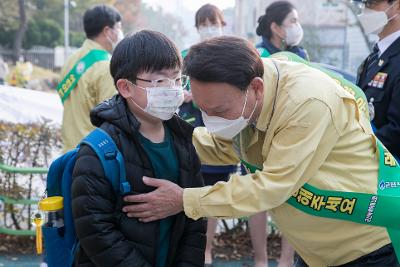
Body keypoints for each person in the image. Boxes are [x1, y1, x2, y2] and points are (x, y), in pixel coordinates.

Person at [122, 36, 400, 267]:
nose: (212, 120)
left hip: (365, 248)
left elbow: (270, 187)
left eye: (219, 111)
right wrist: (152, 135)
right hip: (316, 252)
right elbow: (221, 147)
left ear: (256, 88)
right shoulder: (248, 100)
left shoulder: (307, 103)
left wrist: (185, 200)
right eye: (203, 111)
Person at [71, 30, 206, 267]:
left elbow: (195, 222)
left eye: (176, 79)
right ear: (125, 87)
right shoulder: (99, 150)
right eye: (158, 81)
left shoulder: (184, 139)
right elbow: (95, 230)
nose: (172, 88)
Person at [180, 4, 267, 267]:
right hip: (198, 131)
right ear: (196, 28)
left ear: (223, 23)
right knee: (204, 186)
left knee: (225, 187)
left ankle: (260, 257)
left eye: (213, 22)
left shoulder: (238, 51)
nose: (209, 28)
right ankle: (204, 249)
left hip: (232, 135)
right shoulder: (187, 57)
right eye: (203, 24)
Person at [60, 5, 124, 152]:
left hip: (68, 150)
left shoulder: (71, 60)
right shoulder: (106, 66)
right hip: (93, 154)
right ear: (107, 31)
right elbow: (113, 118)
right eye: (119, 28)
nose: (120, 33)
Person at [355, 0, 400, 161]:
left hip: (391, 171)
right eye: (364, 5)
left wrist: (354, 147)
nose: (365, 11)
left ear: (397, 6)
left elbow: (397, 130)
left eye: (371, 4)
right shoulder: (375, 56)